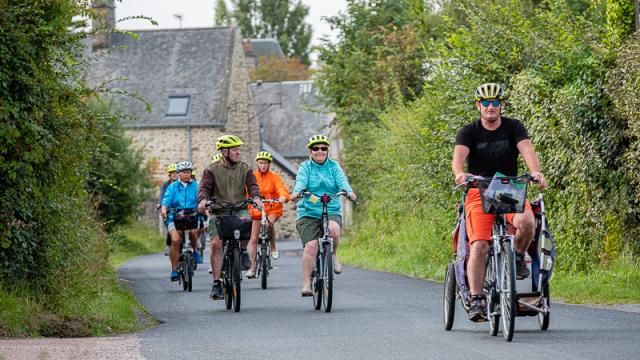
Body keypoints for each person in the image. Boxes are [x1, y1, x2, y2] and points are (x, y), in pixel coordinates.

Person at [452, 83, 547, 321]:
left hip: (508, 187)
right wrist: (460, 175)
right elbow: (459, 159)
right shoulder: (468, 132)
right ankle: (476, 299)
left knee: (526, 223)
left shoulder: (514, 127)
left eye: (495, 102)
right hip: (478, 189)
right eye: (485, 103)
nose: (490, 106)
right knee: (479, 246)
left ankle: (516, 256)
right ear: (478, 106)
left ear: (502, 105)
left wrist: (535, 172)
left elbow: (527, 150)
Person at [197, 135, 263, 300]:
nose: (238, 152)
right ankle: (217, 282)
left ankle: (242, 251)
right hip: (219, 211)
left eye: (238, 149)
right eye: (234, 149)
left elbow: (253, 186)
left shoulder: (245, 168)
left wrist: (256, 198)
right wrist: (203, 201)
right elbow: (204, 188)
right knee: (216, 244)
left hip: (239, 209)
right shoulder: (211, 170)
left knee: (247, 222)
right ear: (224, 151)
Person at [292, 135, 356, 297]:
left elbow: (342, 180)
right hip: (308, 211)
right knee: (311, 246)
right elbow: (300, 182)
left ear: (327, 151)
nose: (320, 151)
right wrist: (297, 192)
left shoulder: (334, 166)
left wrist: (348, 191)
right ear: (310, 151)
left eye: (323, 148)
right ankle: (307, 283)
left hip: (331, 208)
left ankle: (333, 256)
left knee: (333, 229)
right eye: (316, 148)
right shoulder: (305, 167)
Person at [245, 151, 291, 278]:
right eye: (261, 163)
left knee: (268, 224)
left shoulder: (274, 177)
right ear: (257, 164)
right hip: (256, 209)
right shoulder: (253, 176)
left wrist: (282, 197)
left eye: (265, 163)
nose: (263, 165)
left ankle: (273, 247)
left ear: (269, 164)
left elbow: (281, 188)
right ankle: (252, 267)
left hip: (272, 208)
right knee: (253, 239)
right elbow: (246, 190)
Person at [161, 161, 204, 281]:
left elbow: (202, 198)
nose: (186, 174)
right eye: (184, 172)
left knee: (193, 232)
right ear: (178, 173)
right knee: (175, 240)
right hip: (174, 217)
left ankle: (195, 251)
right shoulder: (172, 187)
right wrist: (164, 209)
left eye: (188, 172)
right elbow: (166, 200)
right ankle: (174, 270)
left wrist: (203, 207)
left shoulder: (196, 185)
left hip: (192, 215)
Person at [158, 163, 179, 256]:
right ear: (169, 175)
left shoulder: (181, 184)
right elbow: (163, 196)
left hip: (181, 210)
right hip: (169, 210)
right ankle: (168, 245)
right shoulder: (165, 185)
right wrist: (161, 204)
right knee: (171, 228)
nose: (174, 174)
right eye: (172, 173)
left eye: (176, 172)